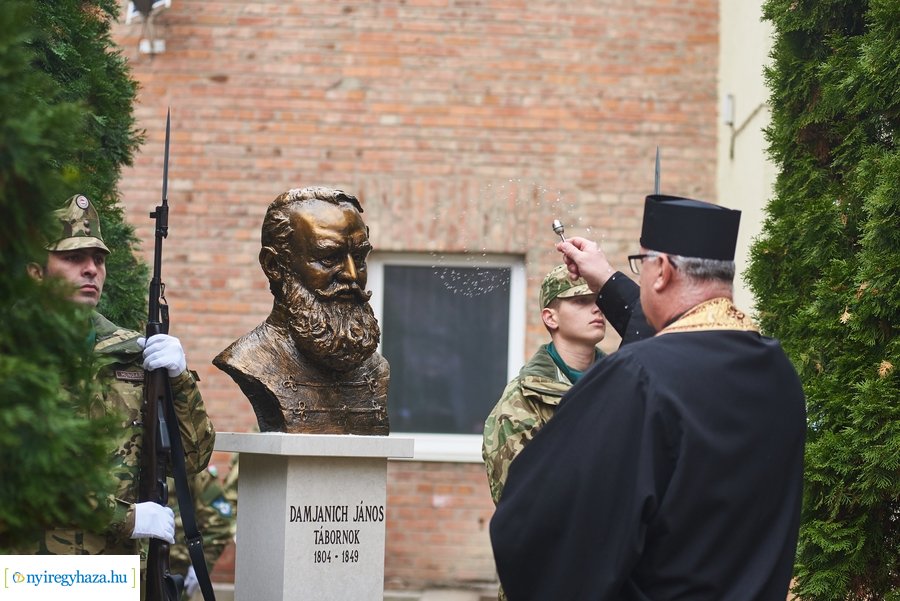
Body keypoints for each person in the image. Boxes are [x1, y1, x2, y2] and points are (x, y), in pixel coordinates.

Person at [490, 194, 807, 600]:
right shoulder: (779, 374)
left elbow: (538, 527)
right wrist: (605, 280)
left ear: (663, 273)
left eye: (642, 265)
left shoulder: (638, 377)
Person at [25, 195, 216, 574]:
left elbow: (193, 458)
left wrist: (179, 381)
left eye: (98, 259)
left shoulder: (131, 352)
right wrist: (127, 518)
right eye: (72, 258)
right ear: (36, 273)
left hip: (116, 574)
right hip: (32, 571)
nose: (91, 270)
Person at [213, 186, 389, 435]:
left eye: (359, 258)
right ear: (274, 265)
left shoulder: (378, 370)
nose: (351, 274)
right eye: (328, 258)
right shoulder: (248, 361)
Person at [482, 264, 607, 505]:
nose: (597, 308)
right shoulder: (522, 401)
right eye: (581, 300)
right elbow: (521, 507)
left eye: (598, 298)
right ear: (551, 317)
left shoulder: (625, 384)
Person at [169, 462, 237, 600]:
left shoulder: (181, 459)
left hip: (172, 573)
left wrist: (200, 566)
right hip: (120, 566)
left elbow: (219, 521)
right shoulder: (117, 457)